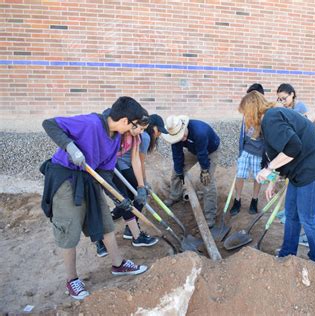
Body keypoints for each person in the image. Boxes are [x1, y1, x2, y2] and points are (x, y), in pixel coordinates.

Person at [40, 96, 149, 300]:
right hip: (66, 177)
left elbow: (105, 174)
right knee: (69, 230)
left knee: (106, 224)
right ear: (126, 121)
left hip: (90, 179)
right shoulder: (90, 123)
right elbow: (50, 124)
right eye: (135, 126)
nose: (134, 131)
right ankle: (72, 280)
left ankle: (118, 265)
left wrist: (118, 199)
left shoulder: (115, 138)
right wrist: (70, 147)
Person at [239, 91, 315, 264]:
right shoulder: (270, 120)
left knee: (307, 217)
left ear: (252, 111)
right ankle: (288, 254)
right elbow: (280, 152)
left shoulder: (271, 118)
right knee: (292, 213)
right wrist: (272, 179)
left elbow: (293, 147)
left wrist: (268, 168)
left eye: (245, 114)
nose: (245, 120)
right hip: (301, 170)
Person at [95, 114, 168, 256]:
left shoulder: (137, 136)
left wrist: (142, 185)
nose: (159, 134)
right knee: (113, 201)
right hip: (111, 169)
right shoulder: (141, 136)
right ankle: (102, 239)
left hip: (117, 167)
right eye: (159, 130)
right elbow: (139, 162)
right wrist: (143, 184)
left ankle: (132, 231)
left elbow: (136, 159)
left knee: (126, 199)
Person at [161, 115, 220, 228]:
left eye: (182, 135)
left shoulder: (199, 132)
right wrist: (179, 171)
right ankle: (175, 195)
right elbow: (177, 154)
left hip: (210, 151)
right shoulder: (175, 135)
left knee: (207, 182)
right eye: (178, 137)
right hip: (193, 151)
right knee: (176, 173)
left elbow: (203, 154)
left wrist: (205, 170)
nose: (181, 139)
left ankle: (210, 217)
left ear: (184, 127)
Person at [229, 83, 265, 216]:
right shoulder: (246, 113)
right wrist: (240, 152)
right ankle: (237, 200)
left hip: (259, 153)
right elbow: (242, 134)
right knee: (240, 175)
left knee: (258, 177)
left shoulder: (264, 115)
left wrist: (266, 157)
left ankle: (254, 201)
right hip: (246, 150)